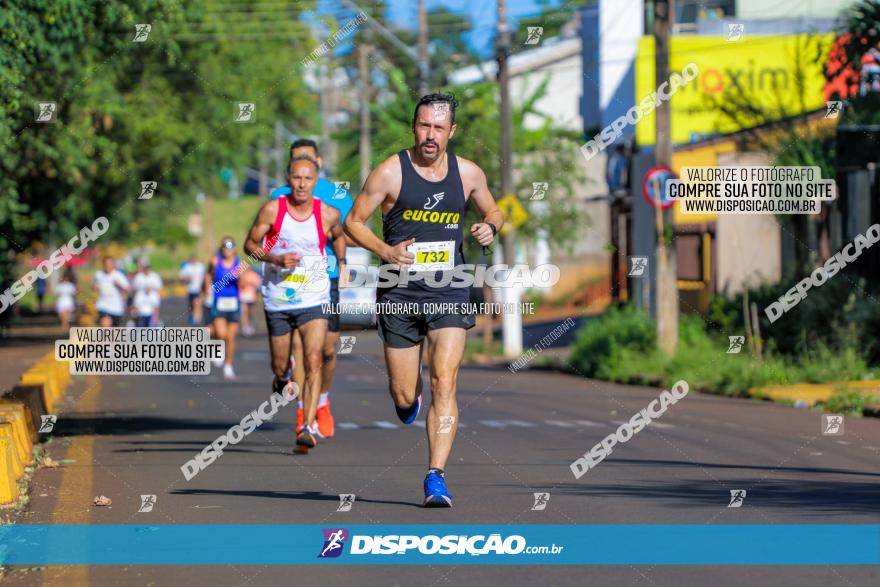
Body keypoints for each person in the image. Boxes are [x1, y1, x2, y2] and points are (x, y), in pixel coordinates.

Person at [344, 93, 502, 507]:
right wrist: (385, 251)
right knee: (404, 394)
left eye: (438, 127)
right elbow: (352, 222)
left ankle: (436, 476)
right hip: (399, 290)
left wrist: (490, 227)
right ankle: (405, 399)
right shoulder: (389, 173)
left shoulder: (468, 173)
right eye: (423, 126)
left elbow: (495, 211)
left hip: (449, 287)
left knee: (444, 381)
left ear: (452, 130)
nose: (430, 135)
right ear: (414, 127)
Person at [245, 155, 345, 450]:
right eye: (297, 178)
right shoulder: (272, 209)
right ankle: (282, 377)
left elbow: (338, 236)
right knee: (279, 367)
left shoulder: (327, 213)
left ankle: (307, 424)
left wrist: (342, 261)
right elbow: (249, 244)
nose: (302, 184)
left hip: (314, 295)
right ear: (288, 179)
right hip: (278, 296)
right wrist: (274, 257)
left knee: (314, 359)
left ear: (316, 182)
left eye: (308, 179)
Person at [270, 139, 354, 438]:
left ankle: (321, 402)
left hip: (325, 276)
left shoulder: (336, 195)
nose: (301, 177)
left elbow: (351, 230)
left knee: (327, 350)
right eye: (296, 163)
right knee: (302, 350)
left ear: (318, 163)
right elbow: (266, 238)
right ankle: (304, 417)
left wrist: (343, 259)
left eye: (307, 161)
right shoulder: (278, 197)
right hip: (291, 280)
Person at [206, 238, 242, 380]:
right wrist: (208, 289)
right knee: (221, 334)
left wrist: (241, 277)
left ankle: (228, 365)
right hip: (219, 301)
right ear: (222, 248)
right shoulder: (215, 261)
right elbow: (208, 275)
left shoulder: (239, 264)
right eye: (225, 246)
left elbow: (244, 281)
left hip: (234, 302)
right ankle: (218, 349)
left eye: (231, 246)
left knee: (231, 337)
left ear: (234, 248)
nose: (228, 249)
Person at [93, 257, 130, 327]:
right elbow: (94, 288)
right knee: (105, 326)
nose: (108, 266)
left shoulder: (119, 275)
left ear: (113, 265)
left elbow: (127, 289)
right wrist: (95, 288)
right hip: (103, 305)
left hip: (117, 308)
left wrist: (119, 285)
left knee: (114, 334)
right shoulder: (99, 275)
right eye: (106, 264)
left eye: (109, 264)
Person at [131, 259, 162, 327]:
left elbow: (159, 290)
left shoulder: (155, 276)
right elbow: (134, 290)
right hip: (140, 307)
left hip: (152, 305)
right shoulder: (138, 277)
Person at [179, 255, 206, 325]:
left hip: (199, 289)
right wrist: (187, 279)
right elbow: (181, 279)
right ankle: (193, 318)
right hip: (191, 290)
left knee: (197, 304)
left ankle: (197, 321)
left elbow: (206, 277)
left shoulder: (201, 267)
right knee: (192, 305)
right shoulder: (187, 267)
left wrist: (204, 287)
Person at [239, 267, 262, 336]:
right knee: (244, 312)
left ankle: (249, 325)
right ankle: (245, 327)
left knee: (250, 312)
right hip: (242, 296)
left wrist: (250, 283)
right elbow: (240, 285)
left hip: (251, 297)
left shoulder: (253, 274)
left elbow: (258, 284)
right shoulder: (240, 275)